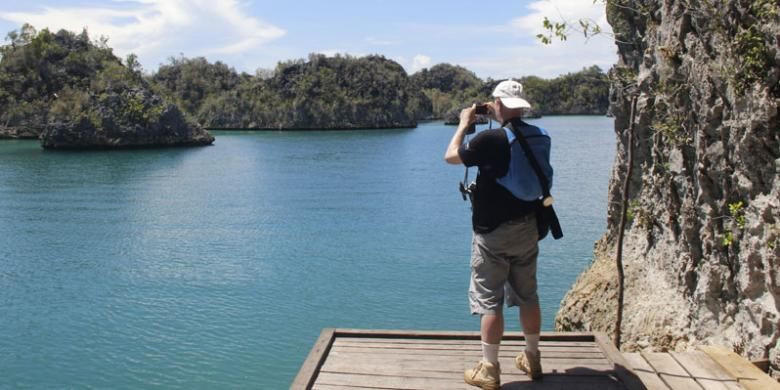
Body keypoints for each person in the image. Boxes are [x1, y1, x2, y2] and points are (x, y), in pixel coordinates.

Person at [444, 80, 553, 389]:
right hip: (529, 226)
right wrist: (498, 116)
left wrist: (465, 124)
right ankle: (532, 359)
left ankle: (489, 368)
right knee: (528, 295)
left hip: (492, 234)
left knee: (490, 301)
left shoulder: (491, 139)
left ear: (500, 105)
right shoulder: (540, 135)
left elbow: (451, 156)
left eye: (495, 103)